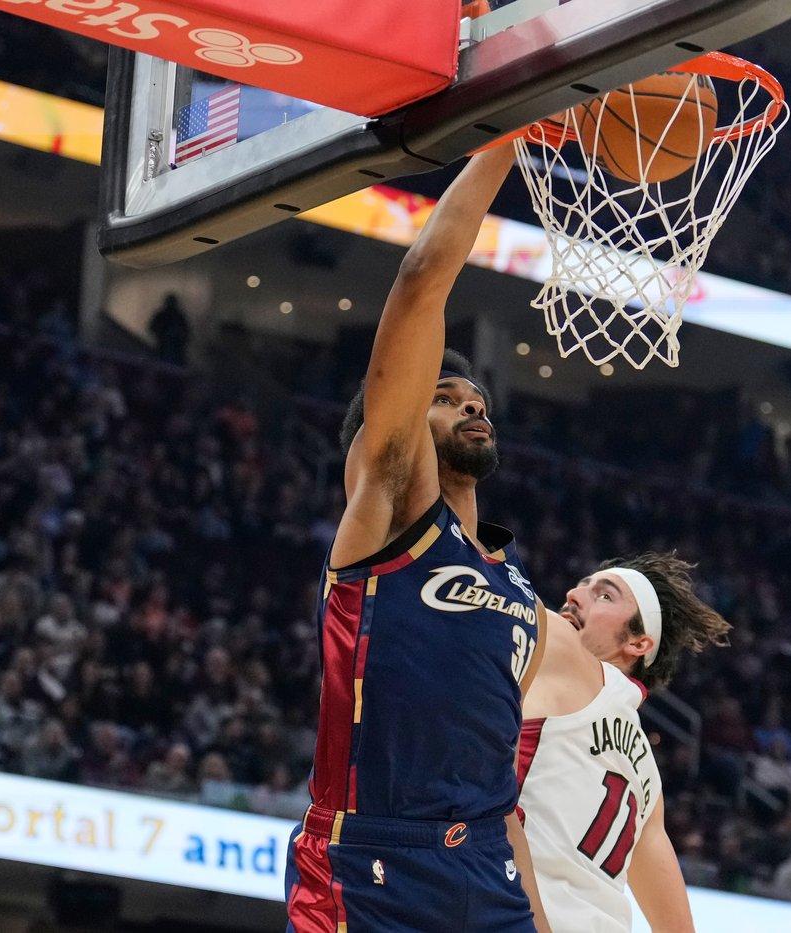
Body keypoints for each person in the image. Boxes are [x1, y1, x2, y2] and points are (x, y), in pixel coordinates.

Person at [284, 145, 551, 933]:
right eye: (445, 396)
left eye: (478, 399)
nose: (474, 407)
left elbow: (502, 792)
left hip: (485, 872)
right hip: (372, 871)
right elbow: (420, 282)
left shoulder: (519, 593)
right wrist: (510, 136)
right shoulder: (391, 505)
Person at [518, 552, 731, 932]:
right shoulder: (648, 778)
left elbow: (480, 577)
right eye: (582, 585)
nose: (572, 595)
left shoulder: (564, 652)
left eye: (604, 596)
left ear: (638, 643)